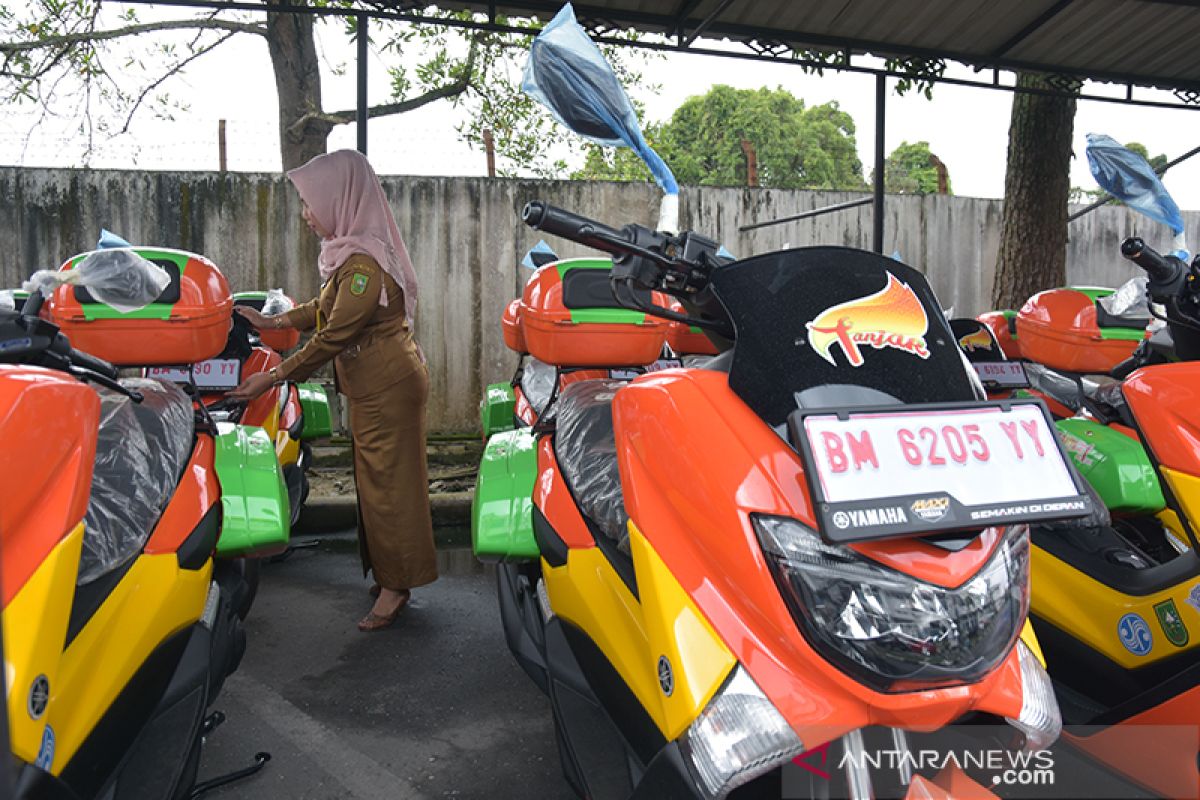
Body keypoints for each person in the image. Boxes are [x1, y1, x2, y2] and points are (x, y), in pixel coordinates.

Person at [230, 149, 437, 632]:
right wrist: (270, 320)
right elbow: (321, 308)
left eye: (310, 202)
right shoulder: (351, 253)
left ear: (339, 199)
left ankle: (395, 587)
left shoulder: (362, 263)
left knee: (389, 487)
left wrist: (275, 375)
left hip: (388, 386)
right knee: (377, 483)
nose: (306, 213)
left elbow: (334, 334)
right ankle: (393, 575)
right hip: (378, 385)